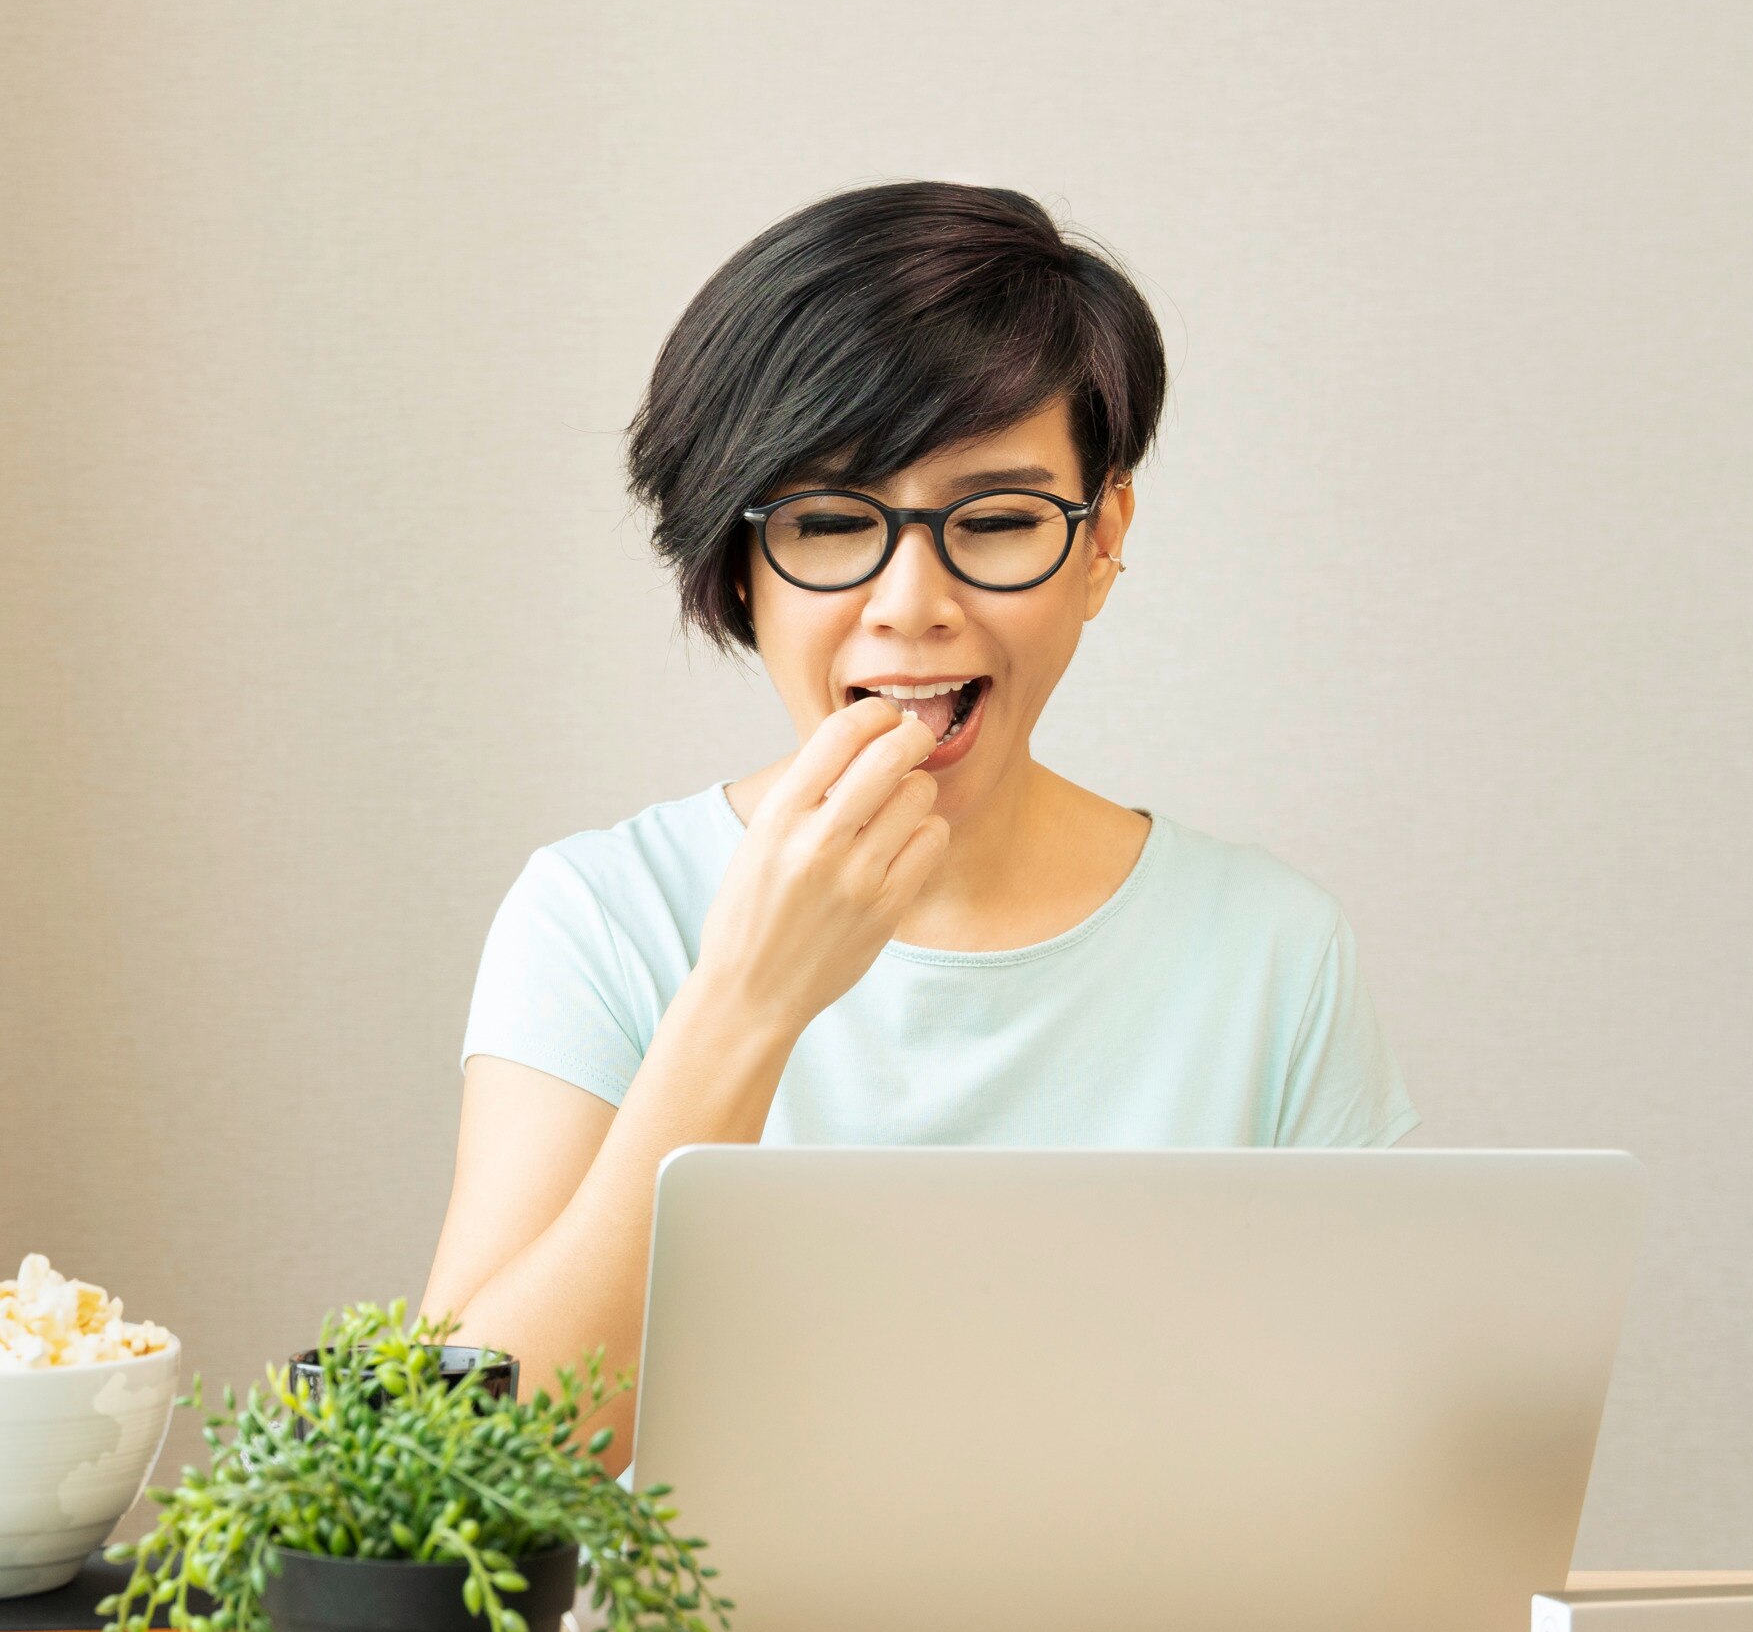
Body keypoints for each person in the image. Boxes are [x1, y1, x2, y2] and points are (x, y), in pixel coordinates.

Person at [420, 182, 1416, 1466]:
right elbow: (453, 1471)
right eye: (830, 524)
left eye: (995, 521)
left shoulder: (1273, 952)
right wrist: (747, 1004)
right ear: (737, 561)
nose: (911, 603)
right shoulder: (601, 914)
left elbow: (1365, 1460)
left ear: (1103, 537)